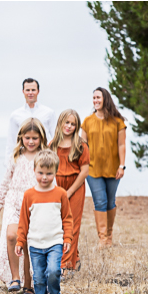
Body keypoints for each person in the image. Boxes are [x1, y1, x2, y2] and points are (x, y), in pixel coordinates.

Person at [15, 150, 73, 294]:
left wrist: (67, 238)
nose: (44, 177)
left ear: (55, 172)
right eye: (40, 173)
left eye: (49, 173)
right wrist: (20, 241)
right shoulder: (29, 195)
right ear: (34, 170)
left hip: (55, 242)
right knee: (39, 277)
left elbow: (67, 218)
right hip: (35, 244)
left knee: (54, 271)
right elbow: (23, 221)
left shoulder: (61, 194)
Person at [0, 118, 47, 294]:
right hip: (14, 201)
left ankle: (28, 284)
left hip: (34, 203)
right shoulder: (15, 157)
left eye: (35, 138)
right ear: (21, 137)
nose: (31, 142)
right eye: (27, 138)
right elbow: (5, 182)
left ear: (41, 138)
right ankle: (14, 278)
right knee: (11, 236)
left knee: (29, 243)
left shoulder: (44, 157)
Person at [80, 87, 126, 248]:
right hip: (92, 169)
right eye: (93, 98)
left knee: (110, 202)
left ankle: (109, 235)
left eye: (98, 97)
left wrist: (122, 166)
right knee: (100, 201)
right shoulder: (87, 121)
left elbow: (121, 145)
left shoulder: (118, 122)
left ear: (105, 99)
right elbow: (83, 146)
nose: (95, 101)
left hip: (113, 169)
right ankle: (102, 239)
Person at [49, 109, 90, 276]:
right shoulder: (52, 144)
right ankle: (75, 258)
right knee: (59, 225)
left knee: (71, 226)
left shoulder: (81, 145)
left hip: (75, 186)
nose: (69, 126)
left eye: (73, 124)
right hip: (57, 186)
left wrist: (70, 191)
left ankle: (65, 266)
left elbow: (84, 171)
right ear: (60, 123)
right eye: (67, 122)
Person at [5, 78, 56, 162]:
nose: (30, 93)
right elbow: (11, 142)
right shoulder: (15, 115)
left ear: (38, 91)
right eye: (27, 90)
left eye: (33, 90)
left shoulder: (49, 113)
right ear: (23, 91)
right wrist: (8, 164)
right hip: (23, 159)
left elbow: (55, 138)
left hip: (45, 158)